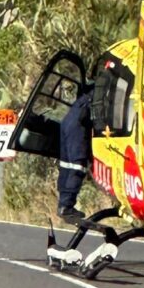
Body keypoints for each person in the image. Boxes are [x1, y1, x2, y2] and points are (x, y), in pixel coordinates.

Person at [57, 90, 93, 223]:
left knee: (66, 165)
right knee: (78, 166)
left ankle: (63, 204)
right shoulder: (101, 91)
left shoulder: (87, 95)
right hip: (77, 127)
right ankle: (67, 206)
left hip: (68, 123)